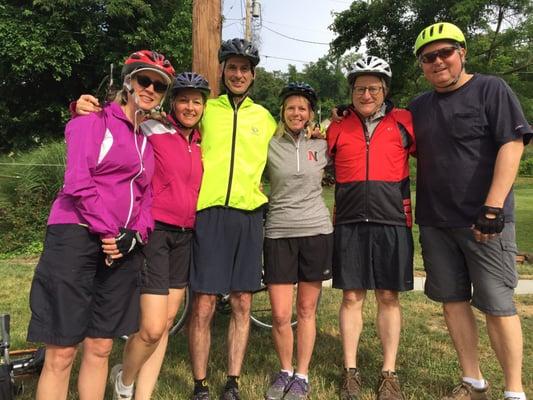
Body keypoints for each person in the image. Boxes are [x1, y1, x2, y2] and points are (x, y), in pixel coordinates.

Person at [26, 49, 175, 400]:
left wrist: (135, 235)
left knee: (101, 347)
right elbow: (78, 183)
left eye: (158, 86)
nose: (150, 89)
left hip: (119, 247)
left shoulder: (146, 142)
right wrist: (111, 231)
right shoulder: (90, 122)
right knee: (62, 352)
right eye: (144, 80)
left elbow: (145, 197)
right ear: (127, 81)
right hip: (75, 235)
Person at [410, 22, 531, 400]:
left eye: (446, 52)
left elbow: (512, 144)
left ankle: (514, 390)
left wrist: (493, 207)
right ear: (421, 65)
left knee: (497, 304)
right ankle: (473, 381)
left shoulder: (490, 88)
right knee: (453, 302)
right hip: (435, 221)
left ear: (463, 52)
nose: (438, 62)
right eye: (429, 57)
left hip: (484, 221)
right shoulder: (418, 106)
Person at [74, 72, 210, 400]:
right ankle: (125, 378)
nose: (190, 107)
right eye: (183, 100)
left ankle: (142, 395)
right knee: (151, 327)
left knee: (164, 326)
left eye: (197, 102)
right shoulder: (151, 128)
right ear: (172, 102)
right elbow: (114, 119)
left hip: (185, 234)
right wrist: (80, 107)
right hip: (155, 231)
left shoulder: (202, 139)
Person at [188, 38, 277, 400]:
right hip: (209, 213)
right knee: (205, 302)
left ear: (253, 75)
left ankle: (233, 381)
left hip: (248, 215)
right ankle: (199, 384)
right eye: (232, 67)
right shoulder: (205, 110)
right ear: (222, 71)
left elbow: (295, 138)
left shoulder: (266, 118)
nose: (238, 74)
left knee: (242, 301)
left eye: (245, 68)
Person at [326, 56, 415, 400]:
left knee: (388, 296)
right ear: (351, 91)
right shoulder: (337, 126)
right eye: (360, 88)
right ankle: (350, 371)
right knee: (351, 296)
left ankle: (388, 373)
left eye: (373, 88)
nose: (366, 94)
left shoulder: (405, 122)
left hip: (392, 219)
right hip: (349, 220)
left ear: (385, 90)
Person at [263, 82, 333, 400]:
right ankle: (284, 370)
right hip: (278, 233)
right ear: (283, 111)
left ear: (310, 114)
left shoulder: (322, 144)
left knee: (306, 309)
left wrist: (339, 116)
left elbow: (348, 132)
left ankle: (301, 376)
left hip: (316, 232)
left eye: (302, 108)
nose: (296, 112)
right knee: (279, 314)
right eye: (291, 107)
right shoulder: (269, 144)